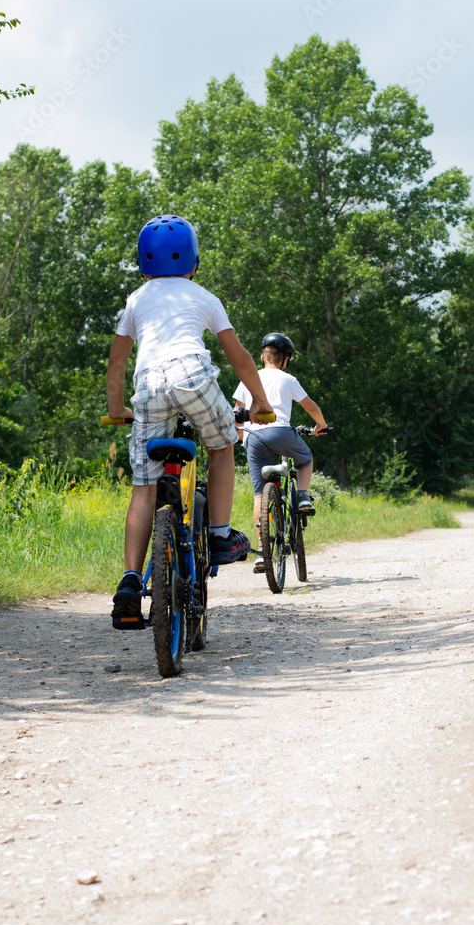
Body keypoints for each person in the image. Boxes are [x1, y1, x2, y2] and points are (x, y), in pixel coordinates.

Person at [106, 214, 273, 629]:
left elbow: (117, 361)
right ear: (194, 262)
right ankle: (217, 534)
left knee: (144, 488)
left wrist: (116, 410)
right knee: (222, 445)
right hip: (192, 376)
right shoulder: (204, 296)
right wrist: (260, 401)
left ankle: (129, 583)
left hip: (147, 387)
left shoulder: (136, 299)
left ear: (144, 264)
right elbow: (240, 358)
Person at [233, 332, 328, 573]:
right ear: (285, 359)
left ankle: (263, 552)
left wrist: (242, 437)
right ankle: (304, 496)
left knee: (258, 495)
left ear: (263, 357)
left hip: (254, 438)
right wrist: (320, 425)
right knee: (305, 460)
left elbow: (237, 413)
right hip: (280, 432)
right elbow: (310, 405)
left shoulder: (247, 379)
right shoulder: (287, 379)